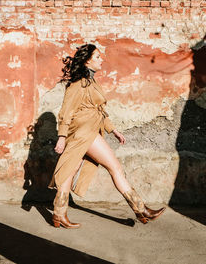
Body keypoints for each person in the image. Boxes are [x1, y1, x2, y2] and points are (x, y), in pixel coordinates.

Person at [48, 44, 165, 229]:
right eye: (98, 57)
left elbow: (98, 110)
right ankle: (141, 209)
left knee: (70, 170)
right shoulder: (78, 85)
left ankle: (59, 215)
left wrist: (113, 129)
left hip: (89, 130)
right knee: (115, 167)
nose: (102, 59)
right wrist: (62, 136)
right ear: (87, 60)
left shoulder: (92, 82)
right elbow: (66, 112)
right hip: (83, 132)